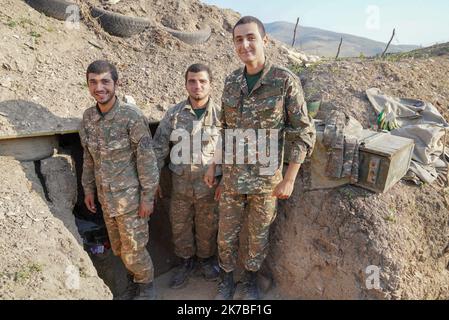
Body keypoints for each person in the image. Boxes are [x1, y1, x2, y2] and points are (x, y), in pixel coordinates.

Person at [204, 16, 316, 300]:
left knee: (258, 236)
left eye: (250, 38)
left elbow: (303, 132)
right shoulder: (231, 82)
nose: (244, 45)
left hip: (266, 181)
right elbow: (225, 130)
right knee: (225, 234)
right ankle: (226, 280)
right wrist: (214, 166)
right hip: (231, 178)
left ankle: (248, 281)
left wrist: (289, 178)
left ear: (264, 41)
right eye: (238, 40)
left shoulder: (284, 81)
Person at [79, 60, 159, 300]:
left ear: (116, 83)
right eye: (93, 82)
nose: (99, 87)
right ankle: (134, 282)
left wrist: (148, 197)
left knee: (135, 248)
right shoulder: (89, 117)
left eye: (105, 81)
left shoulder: (131, 117)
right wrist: (88, 189)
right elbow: (88, 157)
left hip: (131, 202)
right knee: (118, 248)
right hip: (106, 200)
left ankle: (147, 289)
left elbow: (147, 160)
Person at [153, 63, 221, 289]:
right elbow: (159, 148)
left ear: (210, 84)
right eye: (192, 81)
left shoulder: (221, 116)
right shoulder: (174, 114)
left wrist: (225, 181)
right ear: (185, 84)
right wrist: (153, 180)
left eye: (202, 81)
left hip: (208, 187)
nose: (197, 86)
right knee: (180, 227)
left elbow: (231, 151)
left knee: (207, 228)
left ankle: (206, 261)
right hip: (180, 187)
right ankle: (185, 263)